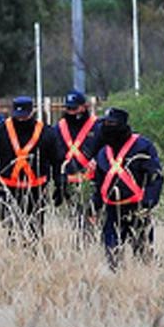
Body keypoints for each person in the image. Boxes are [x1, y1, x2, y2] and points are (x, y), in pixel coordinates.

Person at [91, 108, 163, 268]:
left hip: (137, 208)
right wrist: (94, 207)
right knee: (112, 254)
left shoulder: (143, 147)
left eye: (111, 123)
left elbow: (156, 176)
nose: (107, 126)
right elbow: (99, 183)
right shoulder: (103, 152)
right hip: (111, 210)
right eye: (105, 123)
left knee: (143, 254)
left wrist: (148, 201)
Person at [0, 96, 66, 239]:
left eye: (24, 117)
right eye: (18, 117)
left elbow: (57, 161)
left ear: (32, 112)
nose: (21, 120)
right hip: (6, 190)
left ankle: (33, 257)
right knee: (12, 230)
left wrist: (60, 185)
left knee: (35, 232)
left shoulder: (46, 133)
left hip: (36, 191)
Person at [55, 90, 101, 236]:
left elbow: (107, 149)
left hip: (93, 182)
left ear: (84, 107)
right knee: (77, 223)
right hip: (69, 184)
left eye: (74, 108)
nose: (71, 112)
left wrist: (97, 161)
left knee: (96, 221)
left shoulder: (97, 126)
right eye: (68, 108)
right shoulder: (59, 127)